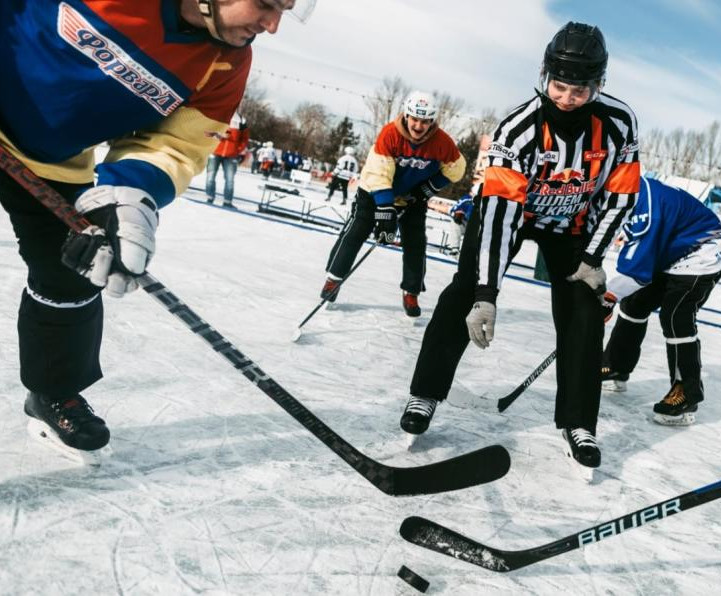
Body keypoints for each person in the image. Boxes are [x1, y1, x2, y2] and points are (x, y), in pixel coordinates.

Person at [0, 0, 314, 464]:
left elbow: (174, 141)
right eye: (265, 5)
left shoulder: (225, 63)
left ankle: (54, 391)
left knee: (75, 269)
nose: (271, 25)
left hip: (54, 160)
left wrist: (127, 193)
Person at [399, 22, 640, 480]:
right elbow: (498, 215)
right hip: (517, 214)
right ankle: (425, 393)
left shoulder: (619, 124)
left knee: (584, 312)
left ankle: (578, 423)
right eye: (560, 86)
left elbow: (621, 194)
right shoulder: (518, 128)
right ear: (545, 76)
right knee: (464, 291)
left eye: (580, 90)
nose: (567, 98)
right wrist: (487, 292)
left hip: (571, 225)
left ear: (599, 85)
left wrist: (592, 258)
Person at [318, 91, 465, 317]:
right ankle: (333, 279)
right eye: (415, 119)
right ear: (406, 115)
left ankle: (411, 291)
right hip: (374, 191)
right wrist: (385, 211)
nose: (418, 125)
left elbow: (456, 169)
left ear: (432, 121)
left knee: (416, 241)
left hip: (412, 197)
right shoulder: (390, 134)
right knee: (357, 230)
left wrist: (428, 188)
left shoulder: (442, 142)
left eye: (425, 121)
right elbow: (379, 174)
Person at [599, 177, 721, 426]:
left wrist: (607, 298)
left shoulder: (646, 211)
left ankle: (687, 394)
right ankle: (616, 365)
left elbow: (636, 269)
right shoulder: (625, 192)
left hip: (703, 251)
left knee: (675, 315)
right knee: (636, 303)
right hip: (673, 246)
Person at [205, 113, 250, 207]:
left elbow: (245, 138)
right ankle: (209, 197)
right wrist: (216, 135)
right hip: (215, 151)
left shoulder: (241, 120)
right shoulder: (220, 112)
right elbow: (207, 132)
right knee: (210, 176)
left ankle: (227, 201)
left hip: (231, 155)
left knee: (230, 179)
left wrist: (238, 150)